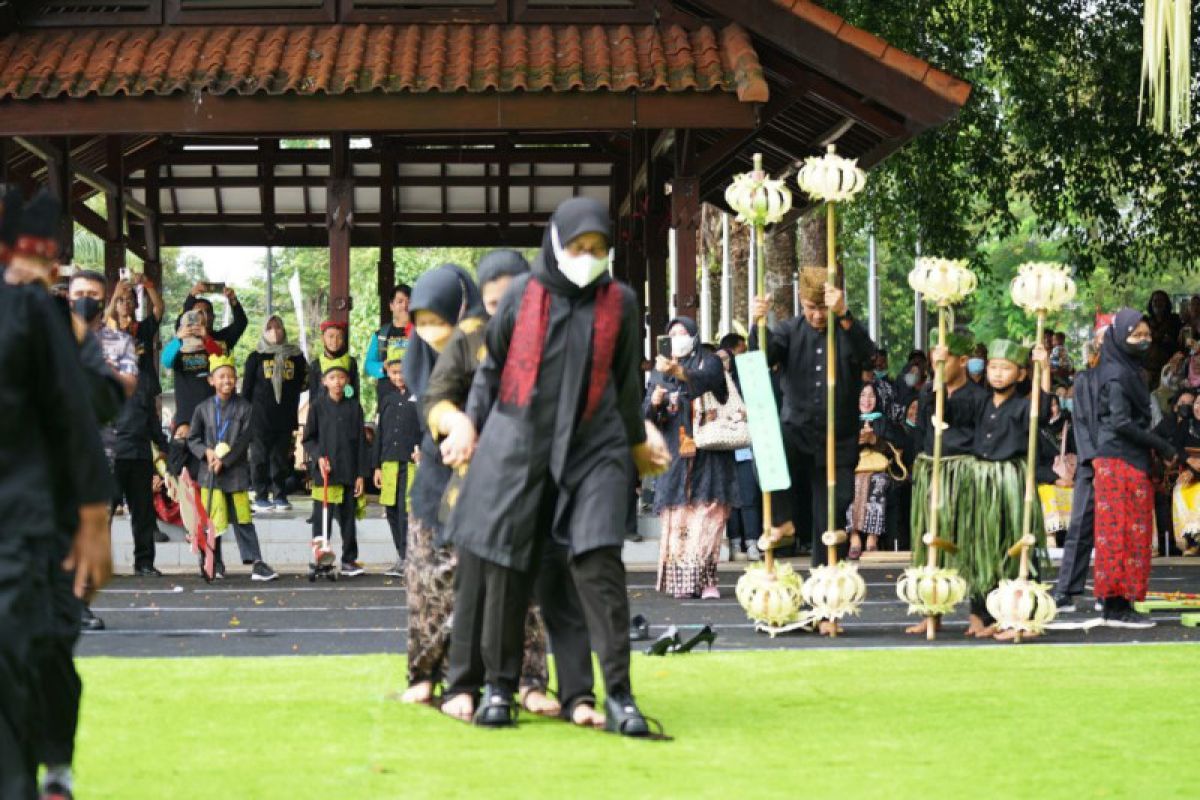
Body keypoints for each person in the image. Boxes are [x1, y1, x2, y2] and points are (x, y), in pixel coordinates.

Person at [441, 197, 668, 735]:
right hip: (519, 442)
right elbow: (491, 370)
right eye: (578, 247)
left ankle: (619, 696)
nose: (588, 257)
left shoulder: (622, 302)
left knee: (597, 560)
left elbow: (626, 385)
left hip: (596, 446)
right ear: (555, 245)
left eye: (598, 249)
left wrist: (637, 444)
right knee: (508, 560)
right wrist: (470, 424)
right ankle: (499, 687)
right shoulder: (523, 294)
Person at [1, 190, 116, 800]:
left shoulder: (46, 320)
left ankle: (54, 767)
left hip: (41, 518)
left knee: (41, 648)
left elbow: (83, 410)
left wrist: (94, 521)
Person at [423, 250, 559, 723]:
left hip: (541, 475)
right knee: (476, 584)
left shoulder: (557, 333)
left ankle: (530, 682)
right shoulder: (471, 337)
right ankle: (464, 683)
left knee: (535, 590)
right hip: (481, 478)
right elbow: (437, 398)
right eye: (494, 302)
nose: (504, 310)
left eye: (513, 300)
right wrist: (457, 423)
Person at [396, 263, 485, 706]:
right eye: (423, 322)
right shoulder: (418, 353)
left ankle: (466, 681)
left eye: (440, 322)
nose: (431, 332)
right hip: (433, 477)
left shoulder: (486, 343)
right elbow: (426, 402)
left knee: (473, 582)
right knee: (425, 577)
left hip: (486, 473)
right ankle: (424, 673)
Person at [750, 266, 876, 569]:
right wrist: (758, 323)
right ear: (800, 301)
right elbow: (761, 357)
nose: (818, 315)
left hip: (837, 439)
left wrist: (844, 314)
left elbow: (869, 355)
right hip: (796, 432)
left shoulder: (847, 331)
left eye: (823, 308)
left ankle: (825, 596)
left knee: (830, 520)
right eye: (811, 308)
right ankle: (782, 522)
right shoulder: (789, 330)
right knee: (767, 444)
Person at [69, 270, 169, 578]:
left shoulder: (140, 389)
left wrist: (168, 457)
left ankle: (144, 563)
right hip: (106, 457)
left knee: (143, 514)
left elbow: (154, 427)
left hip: (138, 456)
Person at [1090, 309, 1181, 627]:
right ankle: (1116, 605)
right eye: (1136, 336)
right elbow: (1120, 422)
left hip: (1130, 459)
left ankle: (1122, 601)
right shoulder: (1116, 374)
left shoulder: (1128, 370)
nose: (1144, 341)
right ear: (1119, 337)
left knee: (1133, 532)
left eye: (1147, 335)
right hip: (1118, 461)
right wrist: (1162, 445)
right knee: (1119, 533)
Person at [962, 339, 1051, 639]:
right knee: (981, 546)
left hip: (1012, 482)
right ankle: (981, 614)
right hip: (980, 482)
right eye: (993, 368)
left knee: (1016, 545)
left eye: (1006, 368)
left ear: (1021, 374)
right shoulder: (979, 401)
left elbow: (1044, 408)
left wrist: (1045, 367)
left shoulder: (1024, 406)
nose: (998, 374)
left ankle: (1023, 615)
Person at [646, 317, 738, 599]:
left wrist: (681, 372)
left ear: (695, 335)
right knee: (679, 522)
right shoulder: (659, 371)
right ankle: (681, 583)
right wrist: (655, 403)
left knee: (707, 519)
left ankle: (707, 580)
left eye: (682, 332)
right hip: (676, 456)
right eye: (671, 333)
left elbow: (710, 381)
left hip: (709, 454)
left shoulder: (707, 361)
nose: (677, 337)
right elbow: (646, 416)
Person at [904, 334, 988, 635]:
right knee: (930, 543)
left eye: (945, 360)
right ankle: (931, 613)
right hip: (932, 473)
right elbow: (923, 433)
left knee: (974, 546)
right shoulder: (927, 393)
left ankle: (979, 616)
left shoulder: (979, 397)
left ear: (962, 361)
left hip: (965, 475)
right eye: (934, 361)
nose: (938, 366)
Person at [187, 354, 279, 582]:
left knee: (243, 518)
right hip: (209, 473)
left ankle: (256, 563)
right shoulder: (202, 408)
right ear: (211, 380)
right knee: (213, 521)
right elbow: (192, 439)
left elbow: (245, 439)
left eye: (230, 376)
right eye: (222, 376)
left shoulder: (246, 408)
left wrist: (224, 460)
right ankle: (214, 562)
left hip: (235, 473)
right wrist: (207, 453)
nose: (227, 380)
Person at [303, 362, 369, 576]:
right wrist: (318, 458)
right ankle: (321, 557)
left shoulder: (354, 407)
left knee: (348, 519)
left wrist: (360, 474)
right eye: (332, 378)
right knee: (322, 519)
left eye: (341, 378)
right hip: (325, 474)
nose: (337, 382)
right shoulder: (317, 407)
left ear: (347, 381)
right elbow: (308, 439)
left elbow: (360, 442)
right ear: (324, 382)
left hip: (349, 471)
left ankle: (349, 559)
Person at [243, 315, 308, 513]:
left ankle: (280, 495)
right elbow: (246, 389)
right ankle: (261, 496)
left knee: (280, 459)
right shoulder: (256, 356)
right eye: (270, 328)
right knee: (260, 458)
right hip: (260, 418)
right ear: (263, 331)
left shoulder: (295, 356)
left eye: (278, 327)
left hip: (285, 416)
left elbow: (302, 383)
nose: (275, 331)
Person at [162, 285, 245, 430]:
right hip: (186, 417)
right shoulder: (181, 341)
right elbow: (166, 361)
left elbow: (240, 324)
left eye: (206, 312)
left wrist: (233, 300)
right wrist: (191, 295)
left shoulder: (221, 339)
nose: (200, 316)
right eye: (196, 313)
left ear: (212, 317)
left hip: (217, 413)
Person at [373, 345, 421, 578]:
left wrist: (423, 451)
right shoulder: (387, 398)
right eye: (394, 373)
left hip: (411, 463)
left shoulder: (420, 396)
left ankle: (410, 557)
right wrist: (377, 466)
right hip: (389, 462)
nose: (399, 377)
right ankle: (401, 556)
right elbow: (380, 432)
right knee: (391, 509)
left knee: (406, 510)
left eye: (402, 372)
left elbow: (427, 429)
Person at [846, 382, 906, 559]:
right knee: (849, 484)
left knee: (878, 482)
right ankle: (854, 537)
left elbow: (898, 447)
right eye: (862, 395)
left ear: (877, 399)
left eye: (871, 396)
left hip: (879, 470)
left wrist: (874, 440)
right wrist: (856, 442)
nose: (867, 400)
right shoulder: (848, 421)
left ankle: (872, 537)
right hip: (853, 469)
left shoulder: (884, 420)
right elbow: (837, 449)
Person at [717, 345, 762, 561]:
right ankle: (734, 543)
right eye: (718, 360)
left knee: (748, 495)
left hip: (743, 446)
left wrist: (745, 414)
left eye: (725, 359)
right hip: (720, 449)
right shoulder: (709, 385)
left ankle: (752, 542)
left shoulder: (744, 382)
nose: (722, 363)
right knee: (729, 499)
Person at [365, 282, 413, 401]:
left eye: (409, 302)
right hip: (387, 395)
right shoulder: (381, 335)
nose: (405, 306)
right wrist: (383, 367)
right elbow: (368, 364)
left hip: (415, 393)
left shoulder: (422, 332)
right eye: (400, 302)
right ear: (391, 306)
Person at [1171, 394, 1200, 555]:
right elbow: (1176, 447)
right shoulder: (1185, 425)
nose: (1199, 407)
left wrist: (1194, 471)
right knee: (1179, 491)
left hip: (1195, 473)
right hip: (1188, 473)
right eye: (1197, 403)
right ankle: (1190, 540)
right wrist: (1189, 460)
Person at [308, 319, 360, 402]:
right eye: (330, 336)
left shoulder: (350, 362)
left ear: (343, 340)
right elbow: (313, 396)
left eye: (339, 337)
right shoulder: (315, 365)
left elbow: (354, 393)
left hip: (346, 411)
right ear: (323, 338)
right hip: (322, 412)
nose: (335, 341)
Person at [1146, 290, 1182, 390]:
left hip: (1168, 370)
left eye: (1161, 300)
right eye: (1155, 301)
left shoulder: (1174, 320)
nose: (1158, 303)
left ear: (1166, 303)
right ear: (1151, 303)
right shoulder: (1145, 321)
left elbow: (1179, 344)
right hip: (1148, 369)